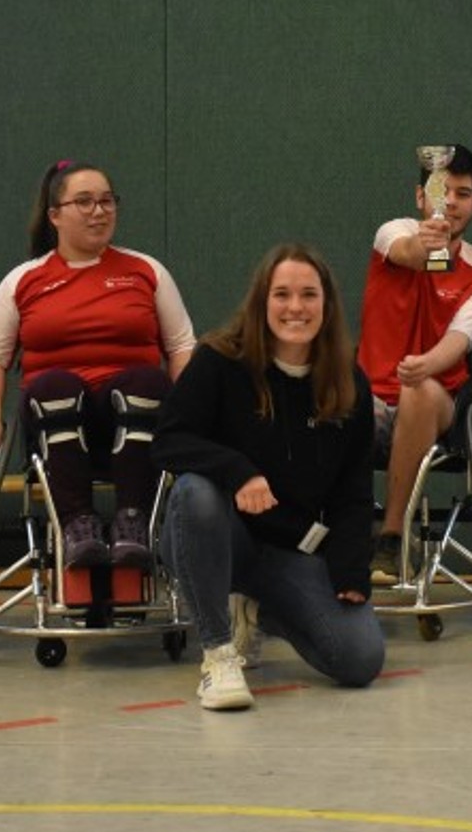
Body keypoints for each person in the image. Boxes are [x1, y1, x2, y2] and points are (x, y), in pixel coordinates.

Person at [153, 243, 385, 710]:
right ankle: (219, 655)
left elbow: (355, 493)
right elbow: (168, 440)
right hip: (214, 538)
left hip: (287, 552)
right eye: (281, 294)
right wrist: (238, 472)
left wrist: (350, 570)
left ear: (327, 304)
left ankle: (258, 611)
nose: (295, 308)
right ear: (262, 301)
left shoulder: (348, 382)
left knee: (360, 660)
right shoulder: (220, 360)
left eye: (308, 295)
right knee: (195, 491)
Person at [0, 160, 196, 573]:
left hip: (132, 417)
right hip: (55, 419)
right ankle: (78, 527)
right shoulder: (23, 280)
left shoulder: (146, 271)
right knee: (54, 386)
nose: (99, 211)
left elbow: (182, 347)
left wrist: (185, 412)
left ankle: (133, 524)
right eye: (85, 202)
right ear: (55, 215)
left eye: (107, 201)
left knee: (146, 381)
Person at [356, 144, 472, 579]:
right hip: (372, 398)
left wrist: (425, 364)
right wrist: (431, 241)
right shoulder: (393, 232)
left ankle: (392, 536)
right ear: (421, 197)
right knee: (340, 402)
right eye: (443, 191)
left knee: (418, 390)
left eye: (462, 193)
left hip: (436, 402)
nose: (452, 203)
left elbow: (460, 339)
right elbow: (411, 254)